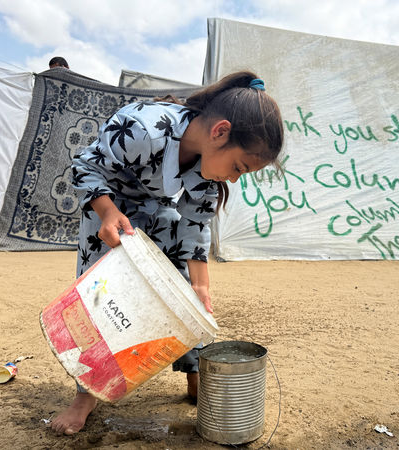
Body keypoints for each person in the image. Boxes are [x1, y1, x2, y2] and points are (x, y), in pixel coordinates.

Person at [49, 71, 284, 435]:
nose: (235, 179)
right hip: (109, 208)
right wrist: (109, 213)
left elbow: (195, 226)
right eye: (238, 167)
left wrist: (201, 289)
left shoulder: (208, 168)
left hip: (157, 212)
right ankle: (86, 394)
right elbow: (86, 164)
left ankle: (196, 374)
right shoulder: (144, 128)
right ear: (219, 132)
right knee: (104, 298)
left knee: (187, 291)